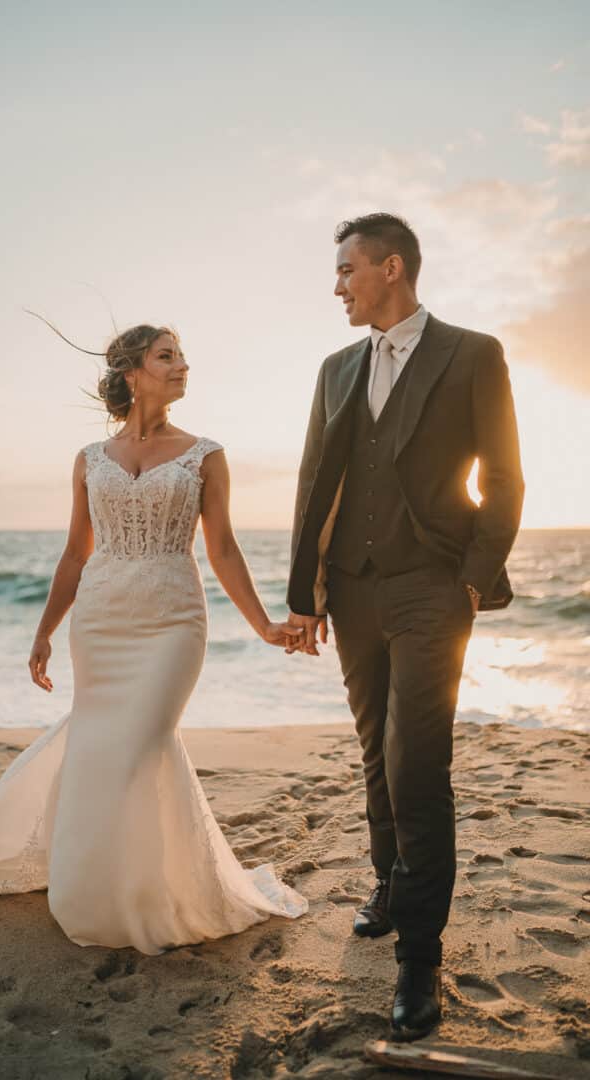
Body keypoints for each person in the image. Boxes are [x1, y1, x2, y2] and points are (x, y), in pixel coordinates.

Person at [0, 322, 308, 954]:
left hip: (174, 620)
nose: (182, 367)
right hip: (100, 619)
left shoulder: (205, 453)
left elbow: (224, 547)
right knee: (101, 751)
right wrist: (44, 630)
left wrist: (263, 625)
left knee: (142, 745)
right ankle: (100, 890)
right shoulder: (89, 460)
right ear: (132, 372)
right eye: (167, 357)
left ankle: (154, 892)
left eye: (182, 357)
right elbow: (75, 553)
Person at [286, 213, 524, 1040]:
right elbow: (319, 477)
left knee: (416, 762)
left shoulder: (473, 353)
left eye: (348, 270)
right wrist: (304, 592)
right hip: (352, 588)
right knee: (372, 752)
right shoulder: (334, 368)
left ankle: (419, 956)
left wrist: (471, 578)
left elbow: (503, 473)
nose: (338, 285)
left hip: (432, 585)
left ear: (392, 268)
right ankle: (388, 887)